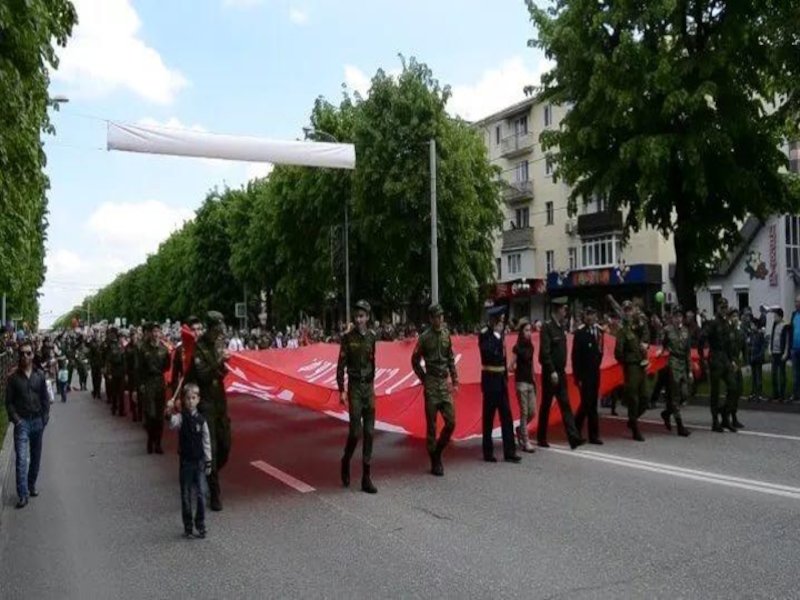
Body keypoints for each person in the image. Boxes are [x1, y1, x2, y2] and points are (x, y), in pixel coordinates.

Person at [186, 311, 232, 511]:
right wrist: (220, 362)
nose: (218, 334)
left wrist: (224, 365)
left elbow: (221, 373)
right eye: (216, 330)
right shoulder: (200, 348)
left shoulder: (219, 344)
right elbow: (203, 374)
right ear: (209, 328)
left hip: (220, 401)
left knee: (225, 446)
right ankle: (215, 492)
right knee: (210, 448)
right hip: (205, 402)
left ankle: (208, 473)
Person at [411, 304, 459, 477]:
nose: (440, 319)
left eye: (441, 316)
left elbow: (451, 359)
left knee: (451, 422)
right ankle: (434, 460)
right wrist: (424, 379)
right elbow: (414, 361)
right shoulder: (424, 338)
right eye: (437, 316)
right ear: (431, 319)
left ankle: (438, 450)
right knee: (431, 426)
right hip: (431, 382)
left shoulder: (446, 335)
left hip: (443, 382)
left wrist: (455, 380)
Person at [336, 300, 378, 493]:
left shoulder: (372, 337)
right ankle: (346, 460)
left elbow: (373, 362)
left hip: (368, 389)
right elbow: (340, 366)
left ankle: (366, 477)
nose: (359, 319)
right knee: (355, 432)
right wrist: (341, 390)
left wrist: (372, 384)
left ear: (368, 317)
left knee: (369, 432)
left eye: (362, 316)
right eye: (357, 316)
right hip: (354, 388)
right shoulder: (347, 338)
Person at [5, 340, 50, 509]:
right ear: (19, 356)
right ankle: (22, 494)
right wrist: (16, 419)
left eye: (28, 353)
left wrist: (45, 417)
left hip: (38, 421)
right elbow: (8, 403)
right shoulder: (13, 378)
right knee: (22, 459)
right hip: (22, 422)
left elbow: (45, 398)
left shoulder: (39, 375)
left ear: (33, 355)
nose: (25, 356)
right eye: (22, 353)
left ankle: (31, 486)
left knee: (36, 458)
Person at [166, 383, 212, 539]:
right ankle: (188, 526)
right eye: (187, 398)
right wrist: (169, 410)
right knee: (185, 495)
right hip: (186, 463)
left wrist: (208, 461)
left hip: (199, 462)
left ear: (198, 399)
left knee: (201, 494)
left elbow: (206, 441)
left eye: (193, 398)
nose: (191, 401)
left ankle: (200, 524)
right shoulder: (181, 418)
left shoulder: (201, 420)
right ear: (183, 401)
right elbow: (172, 422)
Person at [537, 297, 584, 449]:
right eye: (564, 309)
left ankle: (574, 438)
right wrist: (551, 371)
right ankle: (541, 437)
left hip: (560, 372)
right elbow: (544, 353)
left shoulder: (560, 328)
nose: (565, 312)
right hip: (551, 374)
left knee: (565, 404)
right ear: (557, 309)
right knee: (546, 405)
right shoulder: (547, 327)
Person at [478, 306, 520, 464]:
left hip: (501, 382)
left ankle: (510, 451)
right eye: (500, 321)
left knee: (507, 418)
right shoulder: (485, 335)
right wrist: (496, 335)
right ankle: (487, 452)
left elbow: (502, 358)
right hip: (490, 382)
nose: (503, 324)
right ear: (494, 321)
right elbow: (488, 353)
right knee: (488, 419)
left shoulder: (500, 335)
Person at [699, 298, 738, 432]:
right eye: (722, 307)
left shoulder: (727, 323)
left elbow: (729, 344)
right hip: (715, 359)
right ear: (717, 309)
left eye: (726, 307)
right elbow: (702, 338)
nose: (724, 310)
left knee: (733, 387)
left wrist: (732, 360)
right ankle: (715, 421)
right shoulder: (712, 323)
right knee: (715, 392)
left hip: (725, 359)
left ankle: (725, 414)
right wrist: (703, 357)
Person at [615, 300, 650, 441]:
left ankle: (632, 419)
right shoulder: (622, 330)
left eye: (630, 310)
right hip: (631, 366)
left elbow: (647, 332)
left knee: (645, 397)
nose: (628, 312)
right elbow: (618, 352)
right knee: (633, 398)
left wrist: (645, 342)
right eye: (626, 310)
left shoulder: (638, 325)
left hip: (642, 364)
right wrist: (627, 361)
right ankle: (635, 428)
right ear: (623, 312)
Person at [656, 307, 692, 437]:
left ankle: (666, 413)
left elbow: (688, 352)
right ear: (672, 317)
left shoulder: (686, 331)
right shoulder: (667, 330)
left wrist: (690, 370)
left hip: (683, 364)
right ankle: (680, 426)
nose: (678, 318)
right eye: (676, 316)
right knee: (675, 396)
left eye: (680, 316)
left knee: (685, 394)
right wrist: (660, 350)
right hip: (673, 363)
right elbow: (662, 344)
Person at [572, 306, 604, 445]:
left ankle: (594, 435)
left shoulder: (599, 331)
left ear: (596, 316)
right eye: (587, 314)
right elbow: (575, 357)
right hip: (584, 375)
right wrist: (577, 377)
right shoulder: (580, 333)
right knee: (585, 404)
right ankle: (575, 431)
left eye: (592, 314)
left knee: (593, 405)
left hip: (595, 373)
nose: (590, 317)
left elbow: (601, 352)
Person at [138, 322, 171, 454]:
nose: (156, 334)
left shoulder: (163, 349)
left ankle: (158, 443)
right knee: (150, 414)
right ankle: (150, 439)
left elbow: (167, 366)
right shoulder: (144, 349)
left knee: (159, 416)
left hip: (159, 382)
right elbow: (139, 367)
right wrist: (140, 384)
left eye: (158, 331)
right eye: (154, 331)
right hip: (148, 382)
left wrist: (168, 354)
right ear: (150, 333)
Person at [510, 318, 536, 453]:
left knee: (532, 411)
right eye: (526, 330)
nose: (529, 333)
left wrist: (534, 378)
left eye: (530, 330)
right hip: (521, 383)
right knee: (524, 412)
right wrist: (516, 369)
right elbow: (510, 366)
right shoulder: (517, 348)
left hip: (530, 383)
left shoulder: (531, 347)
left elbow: (532, 365)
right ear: (521, 332)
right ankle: (525, 441)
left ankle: (520, 429)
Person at [728, 309, 747, 428]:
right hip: (729, 364)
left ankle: (730, 413)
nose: (735, 318)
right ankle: (730, 416)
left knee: (739, 390)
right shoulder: (727, 332)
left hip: (737, 364)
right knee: (732, 390)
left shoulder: (740, 332)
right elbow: (725, 349)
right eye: (733, 316)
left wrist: (746, 361)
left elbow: (744, 347)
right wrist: (730, 362)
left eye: (737, 316)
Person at [105, 327, 127, 416]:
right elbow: (109, 360)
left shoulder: (121, 346)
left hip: (121, 371)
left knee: (121, 392)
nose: (122, 339)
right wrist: (109, 372)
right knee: (114, 391)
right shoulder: (112, 345)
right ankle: (114, 408)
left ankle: (121, 410)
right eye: (121, 337)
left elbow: (124, 360)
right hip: (114, 371)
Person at [769, 308, 790, 402]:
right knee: (773, 374)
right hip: (774, 352)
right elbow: (772, 336)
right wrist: (770, 348)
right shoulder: (774, 325)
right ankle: (775, 393)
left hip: (781, 353)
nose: (774, 318)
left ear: (780, 316)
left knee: (781, 374)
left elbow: (787, 341)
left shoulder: (786, 326)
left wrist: (785, 353)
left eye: (776, 316)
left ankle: (782, 394)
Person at [748, 321, 767, 402]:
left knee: (758, 376)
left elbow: (763, 347)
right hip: (752, 358)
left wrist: (759, 355)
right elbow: (750, 346)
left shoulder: (760, 335)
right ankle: (754, 392)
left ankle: (759, 393)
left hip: (758, 358)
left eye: (753, 325)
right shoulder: (752, 335)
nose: (751, 327)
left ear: (756, 326)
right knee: (754, 376)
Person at [125, 329, 141, 422]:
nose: (133, 337)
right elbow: (126, 362)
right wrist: (126, 373)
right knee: (132, 393)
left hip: (139, 373)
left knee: (140, 394)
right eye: (132, 335)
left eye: (134, 335)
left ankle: (139, 413)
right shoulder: (128, 347)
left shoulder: (139, 346)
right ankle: (134, 412)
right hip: (131, 373)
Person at [88, 332, 104, 399]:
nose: (97, 335)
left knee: (99, 378)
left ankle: (98, 391)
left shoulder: (100, 342)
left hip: (99, 363)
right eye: (95, 334)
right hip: (94, 363)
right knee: (94, 378)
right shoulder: (92, 343)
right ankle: (95, 391)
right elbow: (94, 349)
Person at [791, 296, 800, 402]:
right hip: (794, 349)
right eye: (796, 302)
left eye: (798, 302)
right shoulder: (794, 315)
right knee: (795, 373)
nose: (796, 304)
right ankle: (795, 394)